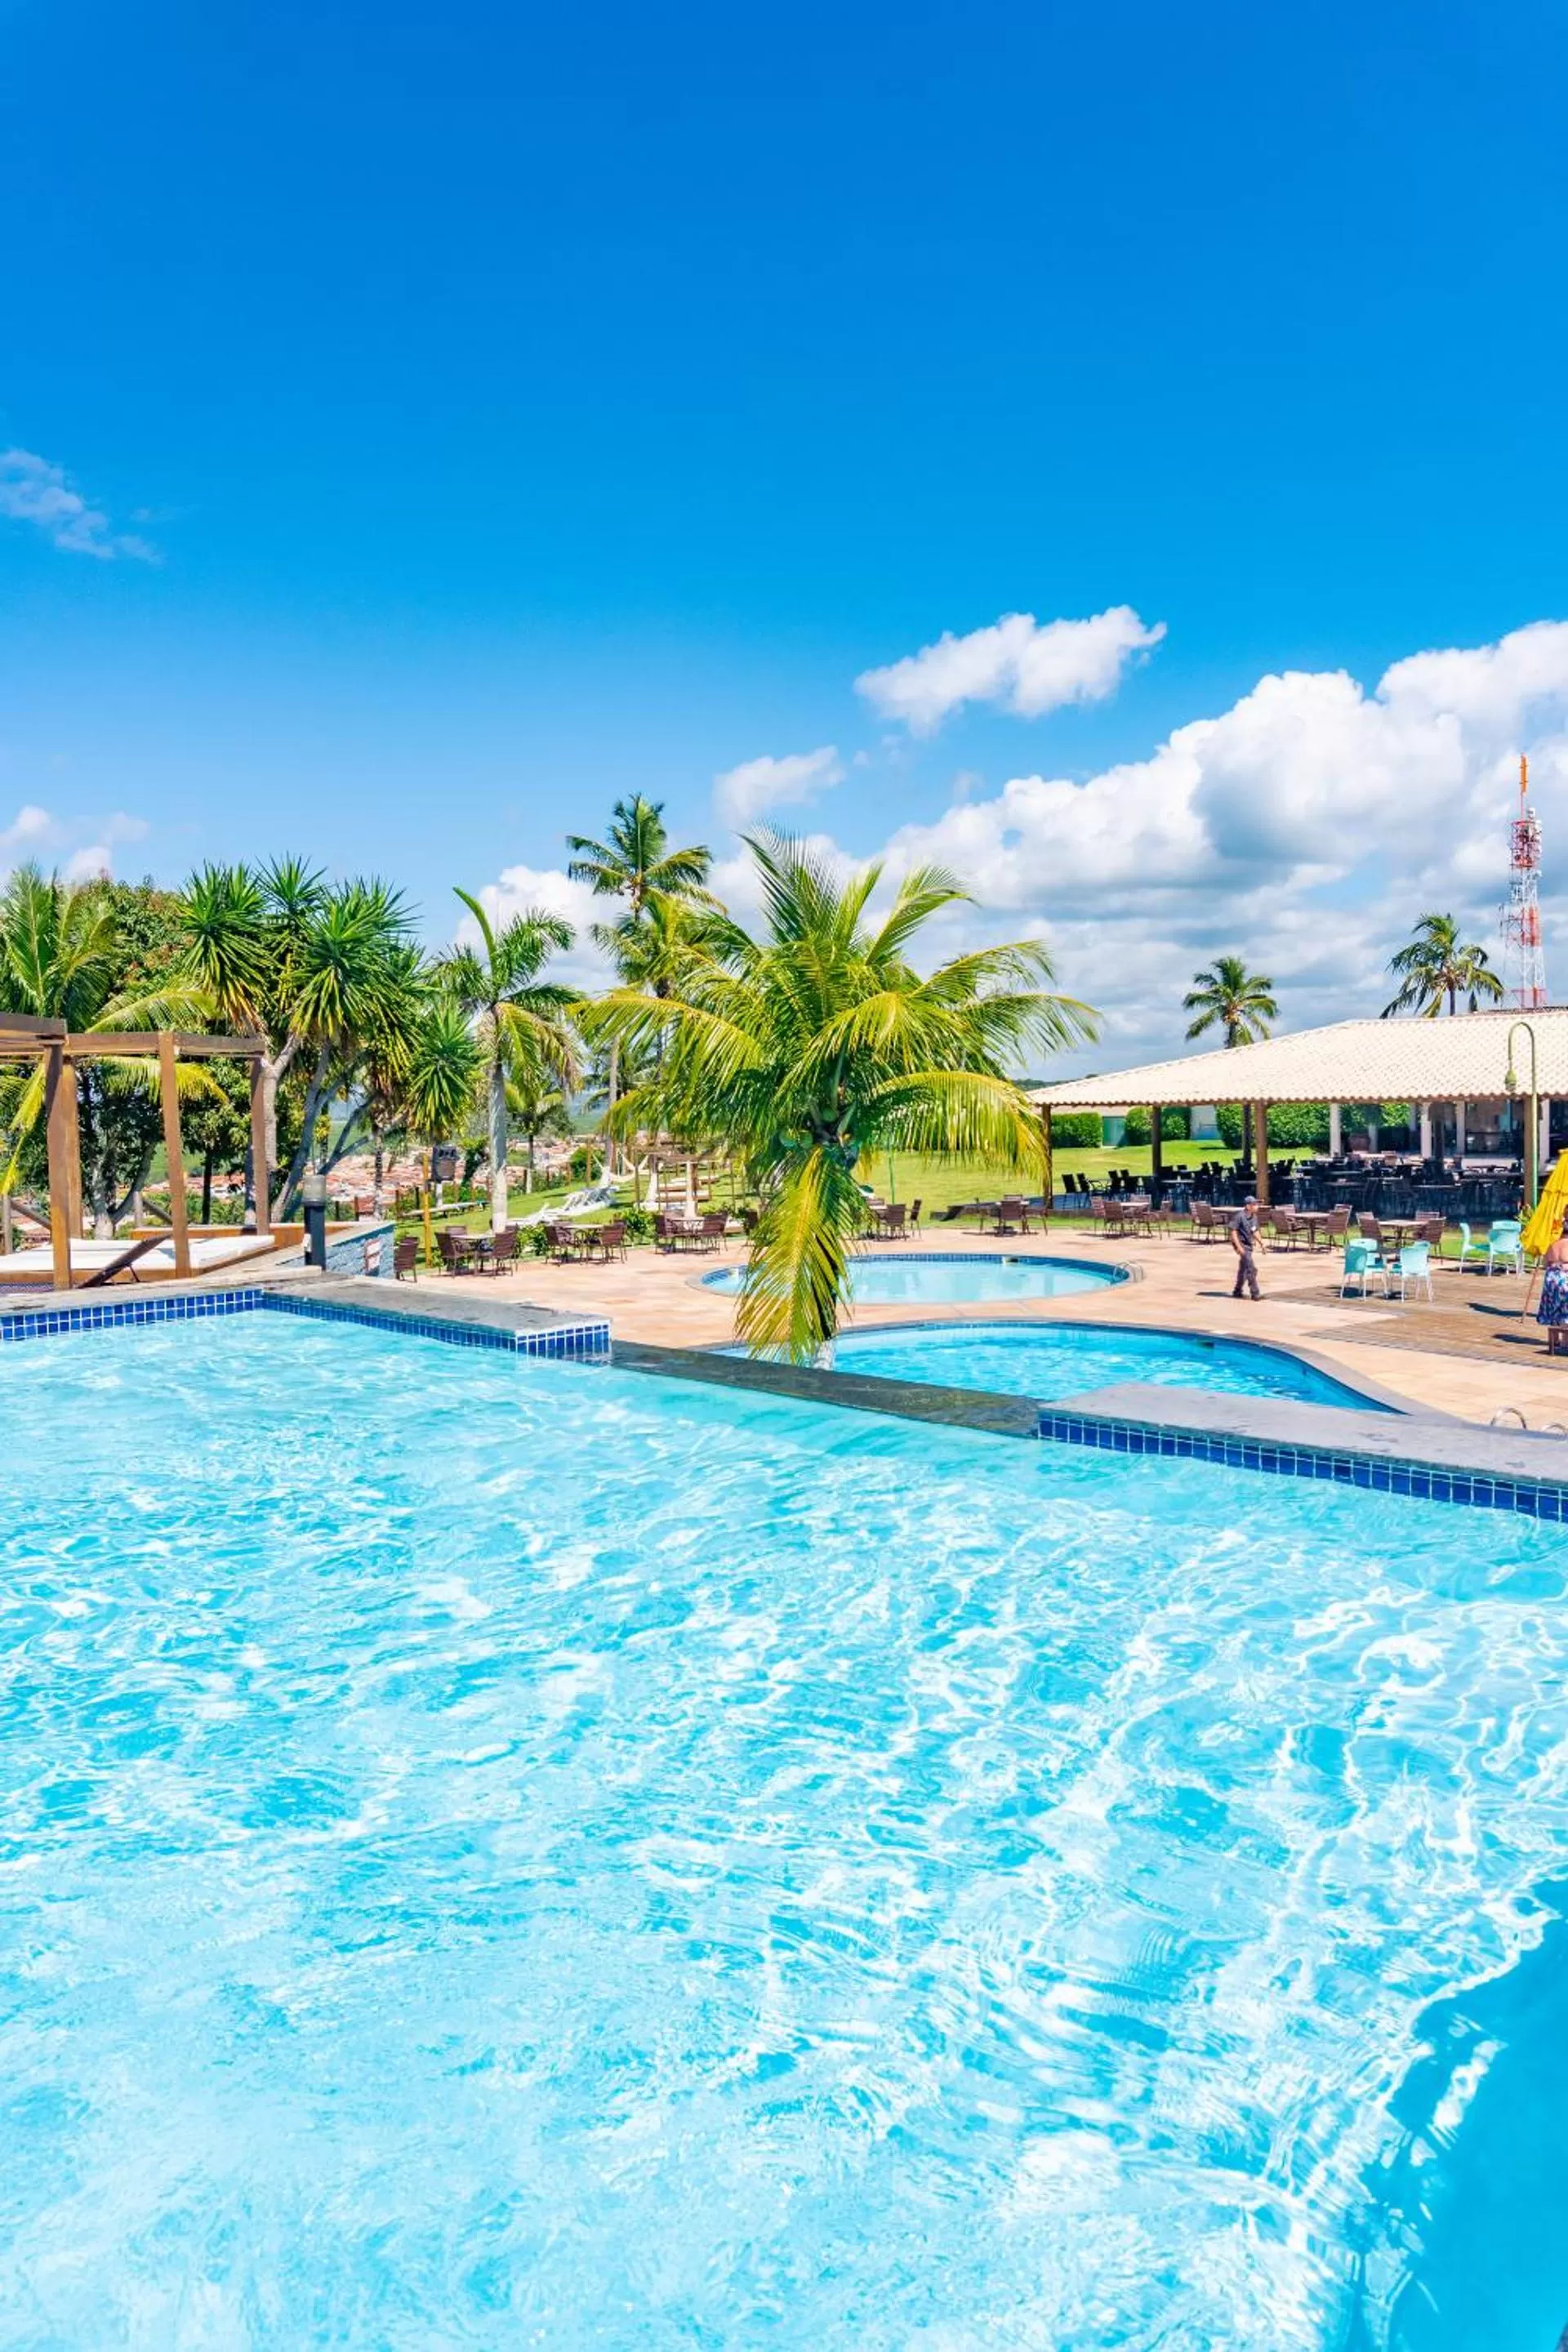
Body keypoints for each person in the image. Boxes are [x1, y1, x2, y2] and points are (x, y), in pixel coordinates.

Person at [1536, 1216, 1568, 1355]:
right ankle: (1566, 1341)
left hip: (1551, 1277)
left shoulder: (1551, 1243)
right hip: (1564, 1278)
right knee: (1566, 1310)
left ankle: (1555, 1339)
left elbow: (1546, 1262)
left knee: (1553, 1307)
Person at [1229, 1194, 1262, 1300]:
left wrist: (1262, 1243)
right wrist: (1239, 1247)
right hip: (1240, 1243)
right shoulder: (1239, 1216)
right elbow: (1233, 1232)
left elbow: (1255, 1231)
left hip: (1248, 1245)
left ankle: (1237, 1290)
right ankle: (1255, 1293)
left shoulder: (1254, 1217)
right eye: (1255, 1204)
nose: (1257, 1206)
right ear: (1248, 1206)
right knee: (1251, 1268)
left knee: (1244, 1268)